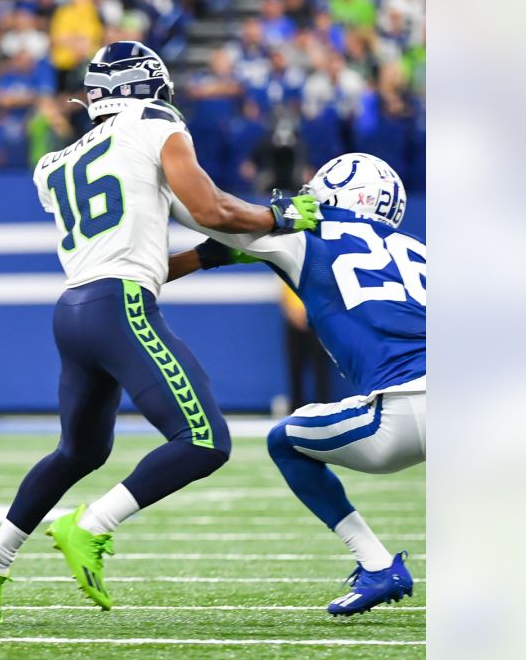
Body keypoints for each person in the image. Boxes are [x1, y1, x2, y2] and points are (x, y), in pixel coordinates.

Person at [0, 42, 318, 623]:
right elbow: (210, 207)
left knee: (80, 449)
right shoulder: (154, 121)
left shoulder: (55, 164)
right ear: (140, 88)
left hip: (75, 309)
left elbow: (138, 252)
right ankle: (88, 527)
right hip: (118, 306)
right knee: (205, 441)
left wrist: (207, 257)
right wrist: (281, 216)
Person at [167, 152, 424, 616]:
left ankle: (376, 563)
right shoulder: (419, 251)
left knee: (287, 440)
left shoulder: (307, 233)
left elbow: (205, 212)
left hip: (404, 409)